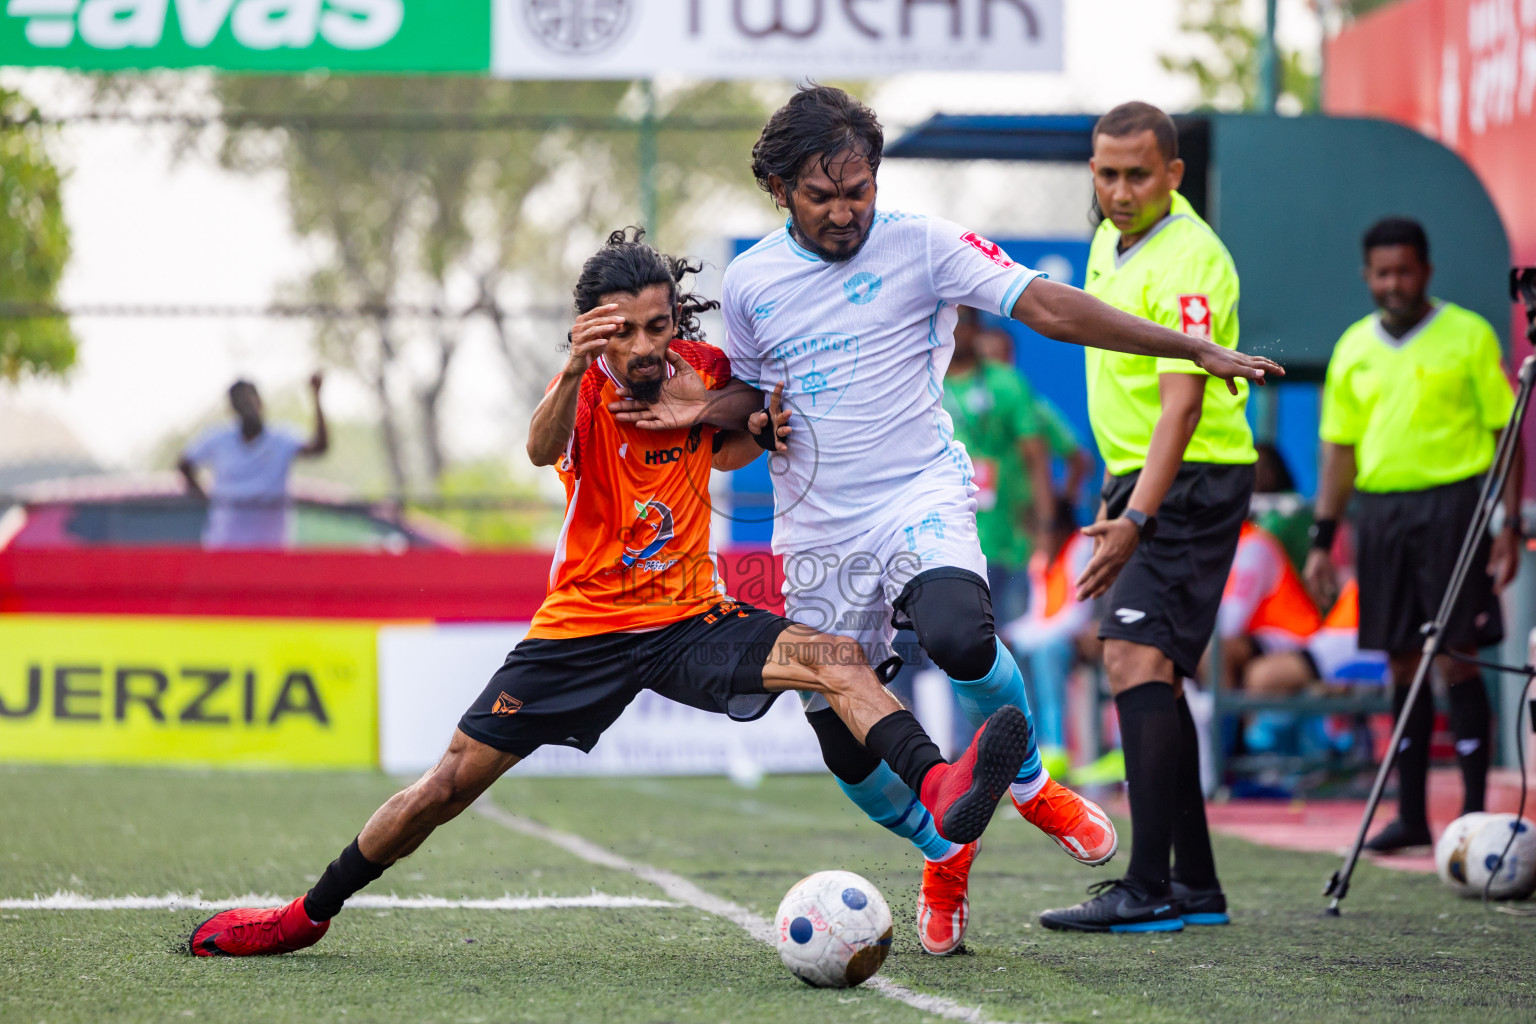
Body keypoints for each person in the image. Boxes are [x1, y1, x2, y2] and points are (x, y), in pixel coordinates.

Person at [187, 230, 1031, 958]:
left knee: (838, 658)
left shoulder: (696, 368)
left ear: (676, 321)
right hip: (581, 630)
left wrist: (730, 414)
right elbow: (536, 447)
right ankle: (305, 915)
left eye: (657, 326)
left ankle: (938, 788)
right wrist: (572, 364)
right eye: (622, 331)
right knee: (445, 786)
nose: (643, 346)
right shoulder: (587, 389)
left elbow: (738, 439)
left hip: (691, 620)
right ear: (595, 332)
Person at [614, 86, 1280, 954]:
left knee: (963, 636)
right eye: (824, 196)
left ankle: (1034, 783)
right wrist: (716, 414)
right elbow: (746, 392)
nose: (847, 210)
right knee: (841, 742)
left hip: (917, 494)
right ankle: (943, 846)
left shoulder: (923, 246)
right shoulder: (750, 283)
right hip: (816, 527)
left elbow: (1045, 304)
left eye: (861, 189)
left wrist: (1185, 344)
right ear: (779, 189)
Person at [1037, 102, 1260, 934]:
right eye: (1106, 172)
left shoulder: (1193, 259)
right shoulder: (1108, 238)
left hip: (1187, 482)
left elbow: (1183, 403)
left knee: (1131, 659)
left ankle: (1147, 887)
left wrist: (1137, 514)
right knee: (1153, 672)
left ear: (1174, 173)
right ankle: (1194, 886)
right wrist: (1119, 495)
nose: (1119, 189)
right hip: (1141, 482)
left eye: (1137, 173)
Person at [1305, 217, 1520, 854]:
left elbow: (1504, 435)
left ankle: (1477, 820)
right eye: (1382, 273)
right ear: (1368, 276)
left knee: (1457, 654)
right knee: (1400, 656)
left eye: (1404, 271)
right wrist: (1323, 536)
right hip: (1381, 515)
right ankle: (1412, 815)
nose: (1393, 283)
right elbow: (1338, 450)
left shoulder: (1470, 335)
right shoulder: (1353, 348)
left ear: (1425, 271)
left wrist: (1505, 523)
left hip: (1455, 510)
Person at [943, 306, 1053, 623]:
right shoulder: (925, 384)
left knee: (1009, 637)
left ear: (978, 329)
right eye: (947, 319)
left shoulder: (1007, 384)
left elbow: (1037, 458)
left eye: (964, 321)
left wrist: (1045, 529)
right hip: (948, 538)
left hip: (1008, 539)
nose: (955, 329)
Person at [178, 374, 328, 549]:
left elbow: (318, 447)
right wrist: (202, 495)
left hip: (270, 546)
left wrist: (316, 397)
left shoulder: (281, 438)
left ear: (261, 403)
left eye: (250, 402)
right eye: (240, 405)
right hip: (225, 543)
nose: (247, 409)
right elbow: (184, 464)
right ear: (232, 410)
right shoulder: (218, 438)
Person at [1003, 497, 1095, 774]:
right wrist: (1009, 635)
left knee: (1046, 652)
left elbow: (1079, 614)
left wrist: (1029, 637)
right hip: (1049, 635)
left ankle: (1056, 748)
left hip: (1078, 637)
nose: (1036, 538)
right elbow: (1038, 614)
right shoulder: (1041, 560)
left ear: (1060, 529)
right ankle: (1031, 747)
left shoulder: (1081, 549)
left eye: (1041, 530)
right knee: (1011, 654)